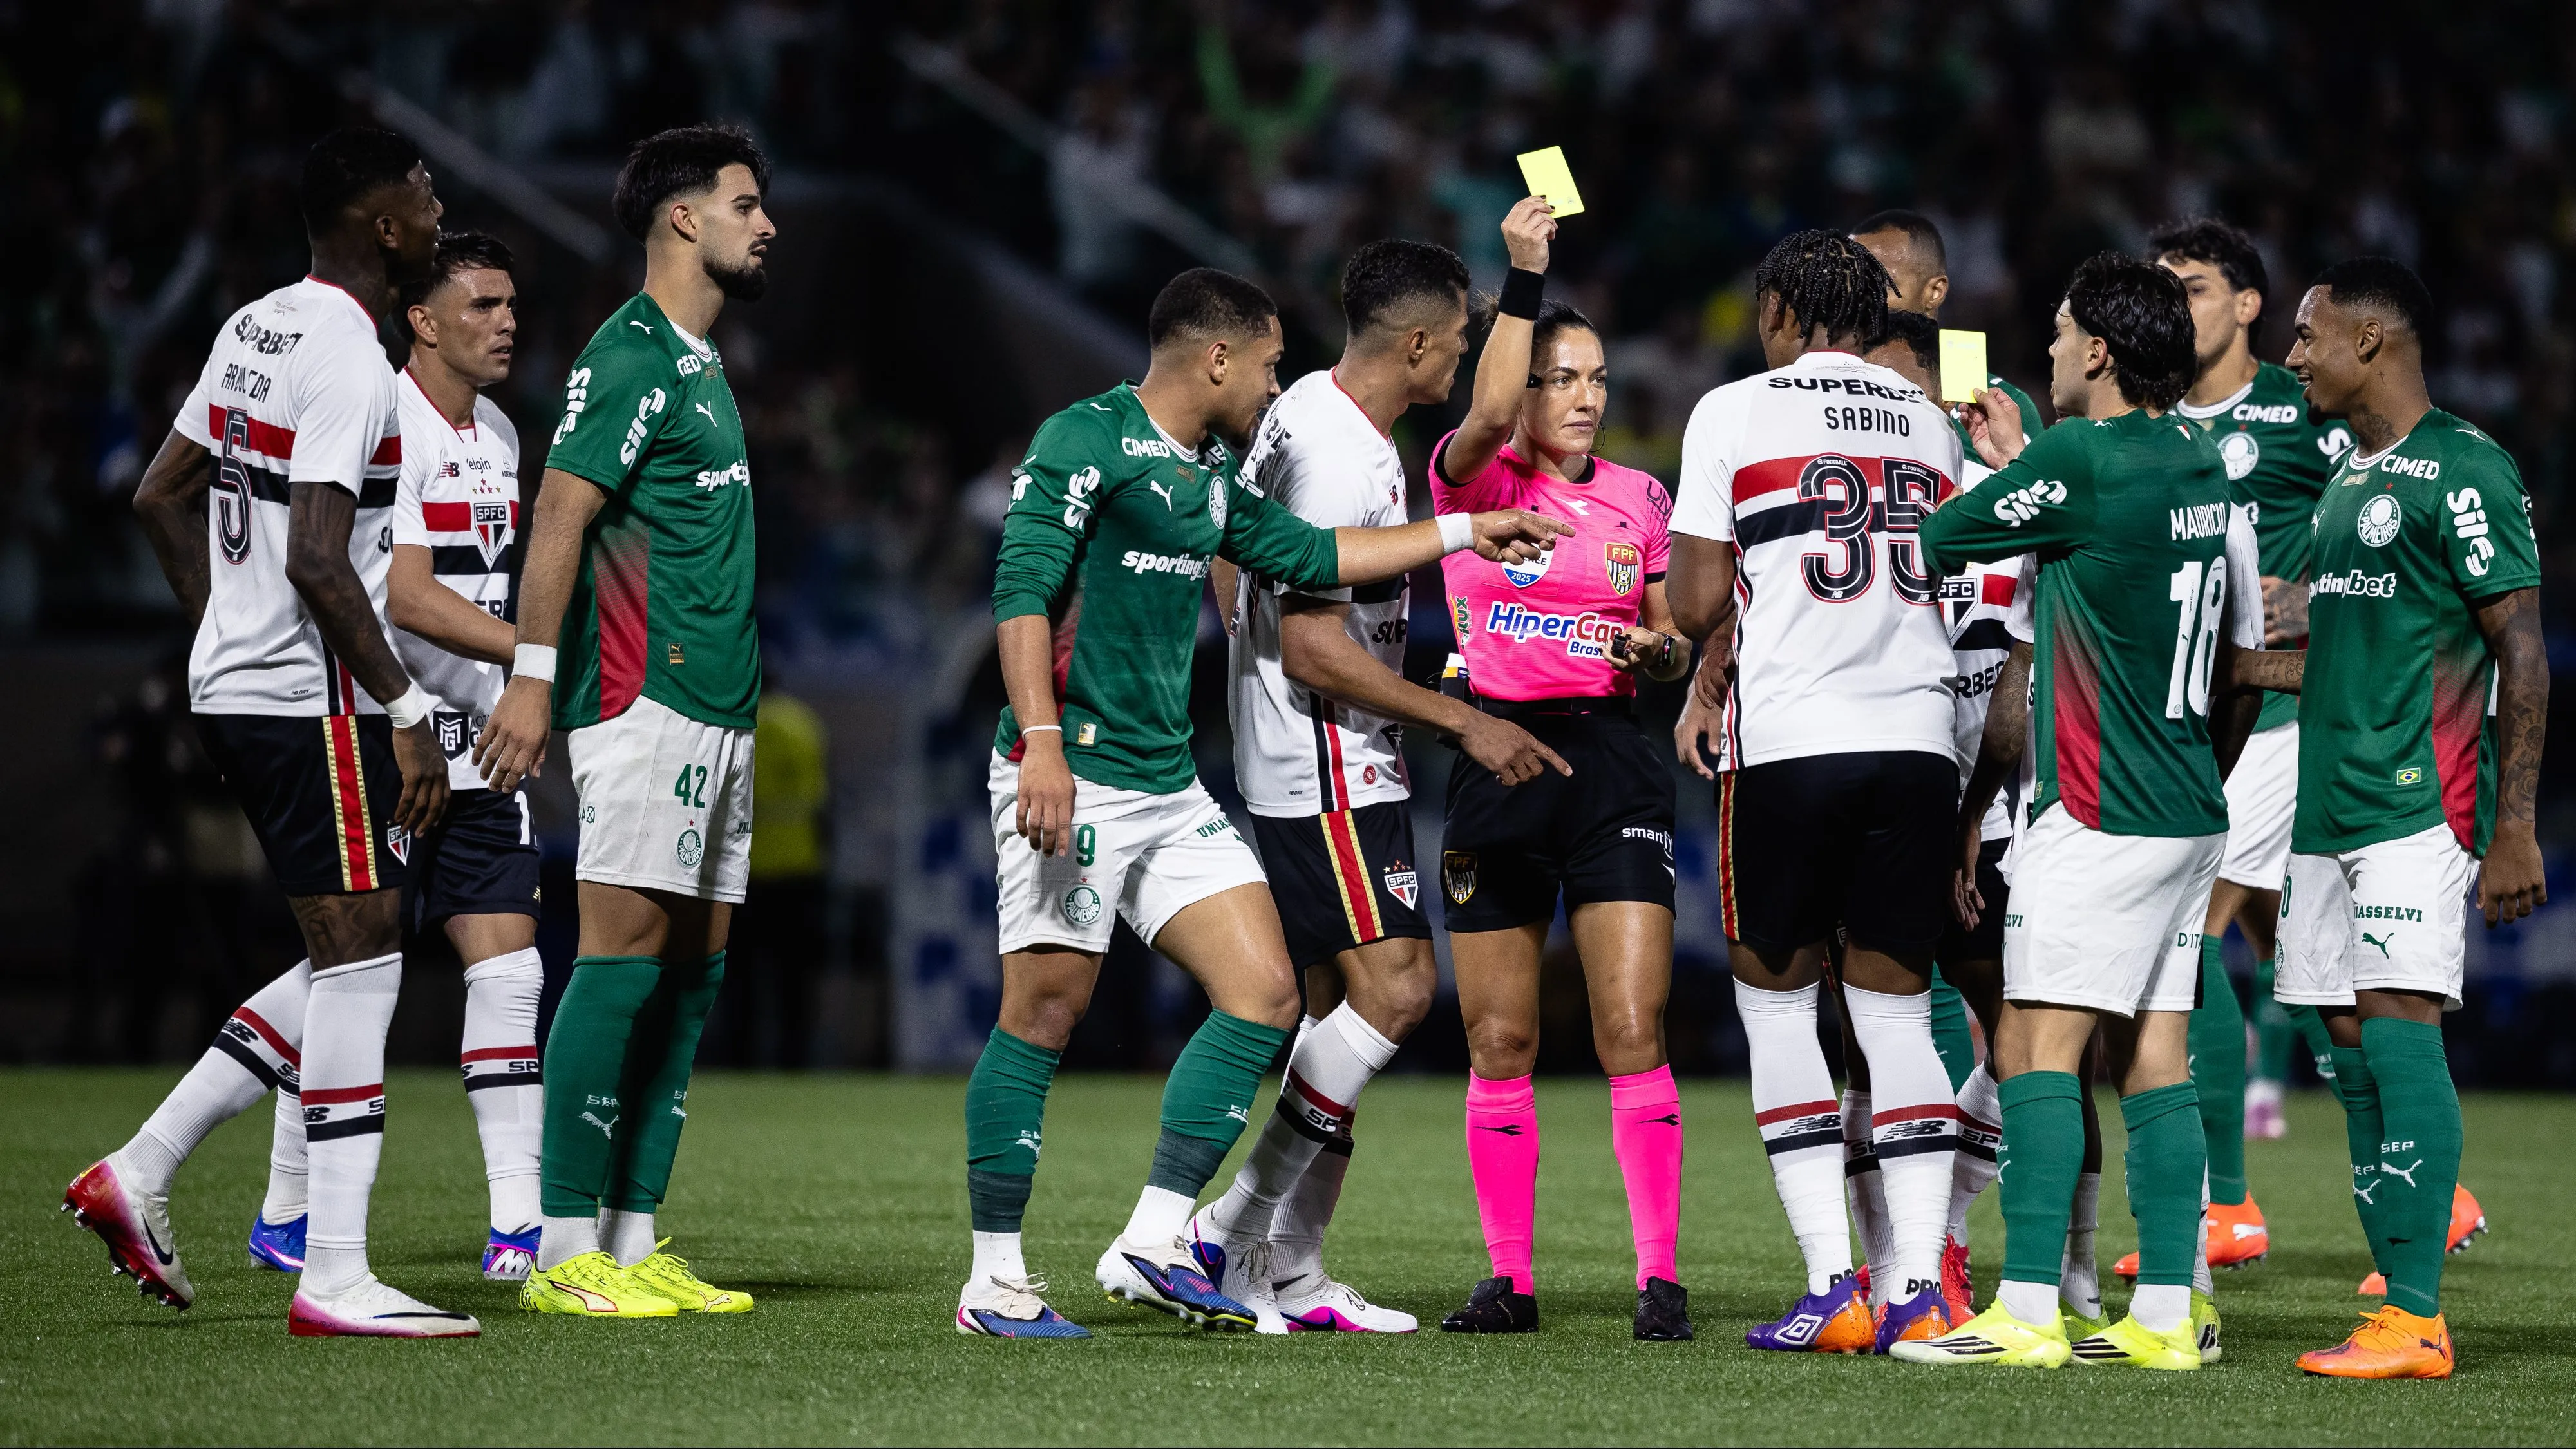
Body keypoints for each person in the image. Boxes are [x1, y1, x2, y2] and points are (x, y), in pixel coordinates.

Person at [954, 266, 1568, 1338]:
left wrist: (1470, 533)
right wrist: (1041, 746)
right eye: (1272, 359)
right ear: (1219, 357)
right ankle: (993, 1279)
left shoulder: (1208, 472)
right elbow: (1020, 595)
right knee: (1044, 1011)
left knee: (1268, 994)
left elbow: (1312, 555)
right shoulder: (1081, 440)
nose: (1279, 379)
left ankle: (1156, 1237)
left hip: (1166, 778)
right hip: (1073, 765)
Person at [71, 127, 472, 1336]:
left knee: (351, 944)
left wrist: (219, 638)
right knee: (365, 964)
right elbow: (315, 558)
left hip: (238, 690)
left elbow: (159, 492)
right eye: (425, 192)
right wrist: (406, 710)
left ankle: (141, 1170)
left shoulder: (255, 325)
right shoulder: (352, 357)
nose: (440, 207)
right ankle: (335, 1275)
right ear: (384, 225)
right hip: (313, 702)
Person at [1893, 252, 2261, 1371]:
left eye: (2057, 334)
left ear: (2098, 352)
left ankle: (2025, 1311)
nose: (2046, 352)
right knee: (2155, 1052)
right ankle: (2160, 1314)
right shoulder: (2203, 460)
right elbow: (2243, 658)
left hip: (2096, 804)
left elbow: (1943, 541)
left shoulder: (2082, 456)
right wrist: (2029, 475)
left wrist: (2007, 470)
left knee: (2032, 1044)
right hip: (2194, 804)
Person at [1198, 223, 1564, 1334]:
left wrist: (1242, 643)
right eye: (1455, 345)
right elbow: (1313, 645)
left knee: (1334, 1023)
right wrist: (1462, 718)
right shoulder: (1346, 456)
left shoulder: (1305, 408)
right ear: (1414, 345)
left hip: (1307, 747)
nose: (1461, 367)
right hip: (1326, 753)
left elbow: (1234, 550)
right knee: (1398, 991)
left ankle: (1292, 1271)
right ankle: (1223, 1229)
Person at [475, 124, 776, 1320]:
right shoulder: (632, 353)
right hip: (643, 699)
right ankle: (559, 1248)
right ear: (683, 219)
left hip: (721, 707)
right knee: (621, 959)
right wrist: (535, 679)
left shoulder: (702, 363)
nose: (767, 224)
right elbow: (558, 512)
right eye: (747, 204)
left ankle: (633, 1233)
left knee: (692, 977)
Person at [1664, 229, 1967, 1352]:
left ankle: (1835, 1283)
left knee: (1780, 1004)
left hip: (1793, 739)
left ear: (1788, 309)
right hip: (1920, 738)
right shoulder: (1930, 420)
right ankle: (1921, 1293)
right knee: (1896, 1010)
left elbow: (1696, 606)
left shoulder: (1735, 410)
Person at [239, 232, 550, 1286]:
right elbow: (405, 597)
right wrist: (539, 660)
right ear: (421, 318)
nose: (506, 321)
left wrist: (518, 686)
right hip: (393, 736)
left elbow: (492, 583)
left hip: (485, 745)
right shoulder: (383, 419)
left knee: (509, 968)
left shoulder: (501, 429)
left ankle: (520, 1224)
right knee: (349, 970)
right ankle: (283, 1203)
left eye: (511, 304)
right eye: (482, 305)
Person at [2262, 256, 2545, 1378]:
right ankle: (2394, 1297)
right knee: (2346, 1046)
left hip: (2416, 802)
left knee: (2395, 1025)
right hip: (2324, 810)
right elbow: (2340, 657)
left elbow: (2519, 645)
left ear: (2371, 339)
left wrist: (2513, 823)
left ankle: (2419, 1315)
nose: (2294, 356)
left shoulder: (2463, 470)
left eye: (2308, 335)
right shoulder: (2343, 483)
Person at [1427, 207, 1694, 1342]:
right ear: (1518, 391)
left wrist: (1663, 649)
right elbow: (1482, 412)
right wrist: (1522, 282)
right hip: (1496, 755)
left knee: (1632, 1022)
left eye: (1595, 377)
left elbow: (1670, 632)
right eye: (1558, 378)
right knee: (1501, 1040)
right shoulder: (1471, 481)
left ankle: (1661, 1279)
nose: (1584, 397)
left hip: (1615, 762)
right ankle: (1510, 1281)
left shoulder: (1643, 498)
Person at [1846, 310, 2065, 1328]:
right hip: (1894, 789)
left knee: (2036, 1035)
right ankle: (1910, 1262)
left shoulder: (2008, 495)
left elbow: (2024, 654)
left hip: (2010, 807)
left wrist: (1980, 805)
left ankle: (2039, 1257)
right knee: (1873, 1032)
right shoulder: (1860, 503)